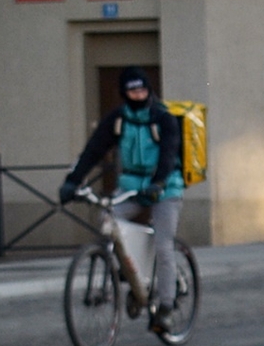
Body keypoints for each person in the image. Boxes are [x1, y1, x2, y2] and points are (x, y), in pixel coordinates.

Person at [62, 66, 186, 331]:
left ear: (149, 90)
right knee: (108, 218)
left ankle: (166, 306)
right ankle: (130, 270)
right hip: (131, 186)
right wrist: (73, 181)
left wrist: (159, 183)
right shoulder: (118, 119)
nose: (138, 94)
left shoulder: (163, 118)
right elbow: (94, 150)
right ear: (124, 93)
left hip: (165, 187)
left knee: (164, 245)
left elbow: (168, 153)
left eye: (142, 89)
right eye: (132, 90)